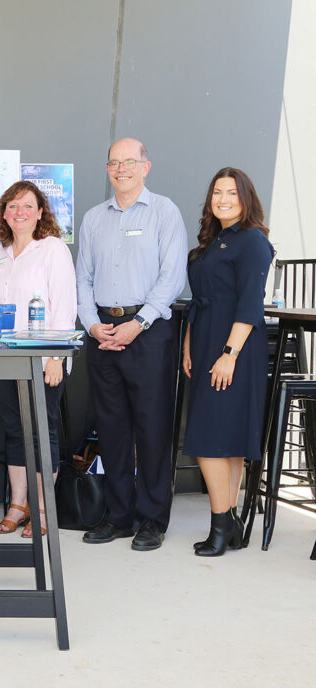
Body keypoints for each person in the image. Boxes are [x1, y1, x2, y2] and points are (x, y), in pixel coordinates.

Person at [75, 138, 188, 551]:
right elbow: (82, 279)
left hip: (149, 330)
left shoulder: (164, 212)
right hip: (103, 332)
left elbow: (172, 276)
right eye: (114, 163)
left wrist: (138, 323)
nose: (121, 168)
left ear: (146, 167)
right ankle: (118, 516)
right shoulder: (93, 218)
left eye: (129, 162)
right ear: (107, 170)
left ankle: (152, 519)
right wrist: (92, 324)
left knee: (153, 428)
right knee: (112, 429)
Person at [183, 168, 274, 556]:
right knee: (227, 439)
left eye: (231, 193)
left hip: (233, 349)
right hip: (205, 343)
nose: (223, 199)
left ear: (246, 198)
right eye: (217, 192)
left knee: (212, 438)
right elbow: (198, 299)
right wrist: (188, 346)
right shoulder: (213, 241)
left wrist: (229, 354)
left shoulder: (252, 240)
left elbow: (251, 304)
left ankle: (219, 527)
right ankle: (231, 523)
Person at [0, 181, 77, 538]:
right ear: (4, 214)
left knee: (43, 433)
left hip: (43, 360)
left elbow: (65, 305)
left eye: (27, 206)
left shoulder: (52, 249)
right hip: (4, 359)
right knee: (14, 432)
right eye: (12, 206)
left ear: (40, 212)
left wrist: (57, 356)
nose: (19, 212)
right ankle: (18, 505)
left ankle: (43, 509)